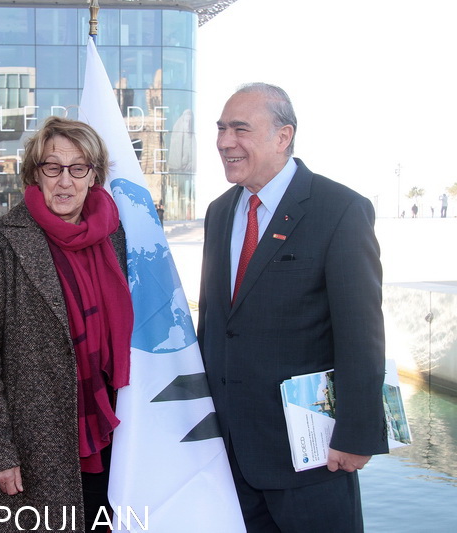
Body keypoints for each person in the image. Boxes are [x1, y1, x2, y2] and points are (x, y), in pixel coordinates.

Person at [198, 83, 387, 532]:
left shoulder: (339, 209)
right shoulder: (219, 212)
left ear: (283, 136)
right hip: (230, 456)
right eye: (222, 129)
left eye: (240, 129)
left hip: (314, 460)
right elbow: (215, 324)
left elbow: (361, 334)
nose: (225, 142)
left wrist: (357, 435)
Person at [0, 116, 134, 532]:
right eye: (52, 167)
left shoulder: (116, 237)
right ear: (35, 173)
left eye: (79, 168)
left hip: (109, 433)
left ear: (94, 175)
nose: (65, 181)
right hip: (31, 446)